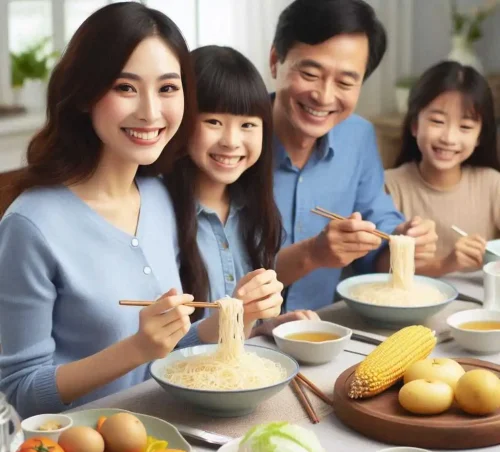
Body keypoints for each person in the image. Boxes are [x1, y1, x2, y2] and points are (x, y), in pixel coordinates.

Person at [0, 2, 199, 418]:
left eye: (167, 88)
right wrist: (136, 349)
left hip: (166, 437)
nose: (150, 111)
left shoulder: (160, 197)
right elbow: (20, 392)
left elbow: (170, 349)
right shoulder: (29, 225)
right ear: (84, 95)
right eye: (125, 87)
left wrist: (242, 314)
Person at [269, 0, 438, 312]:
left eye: (346, 82)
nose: (324, 96)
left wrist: (402, 241)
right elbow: (217, 272)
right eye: (310, 73)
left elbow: (376, 229)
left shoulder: (357, 136)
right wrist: (312, 253)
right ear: (275, 60)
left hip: (324, 334)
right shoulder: (230, 144)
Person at [164, 45, 319, 340]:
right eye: (214, 122)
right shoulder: (156, 214)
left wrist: (264, 327)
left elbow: (238, 330)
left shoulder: (255, 211)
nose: (232, 141)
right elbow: (157, 349)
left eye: (247, 124)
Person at [386, 61, 500, 276]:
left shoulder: (492, 184)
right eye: (437, 121)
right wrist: (447, 263)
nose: (449, 138)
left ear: (480, 137)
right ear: (414, 125)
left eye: (465, 127)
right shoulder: (390, 186)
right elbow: (383, 270)